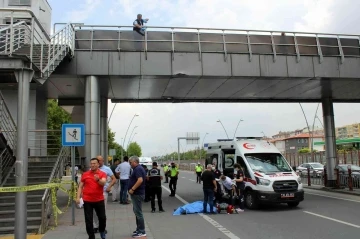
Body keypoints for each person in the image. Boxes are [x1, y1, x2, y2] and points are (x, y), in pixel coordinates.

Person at [76, 158, 107, 239]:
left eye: (94, 163)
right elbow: (80, 186)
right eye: (91, 163)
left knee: (102, 218)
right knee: (88, 220)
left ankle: (102, 231)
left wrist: (98, 180)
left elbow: (103, 183)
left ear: (98, 164)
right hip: (87, 201)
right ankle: (91, 236)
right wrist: (78, 197)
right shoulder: (85, 174)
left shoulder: (102, 173)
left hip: (99, 200)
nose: (92, 165)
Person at [93, 155, 116, 234]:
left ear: (103, 161)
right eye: (97, 160)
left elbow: (114, 179)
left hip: (103, 192)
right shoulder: (92, 169)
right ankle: (95, 226)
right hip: (94, 193)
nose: (99, 162)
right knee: (94, 211)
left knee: (102, 211)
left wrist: (109, 187)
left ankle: (102, 227)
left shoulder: (107, 169)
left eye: (100, 160)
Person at [128, 156, 147, 238]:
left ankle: (142, 231)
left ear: (135, 162)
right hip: (137, 194)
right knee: (136, 212)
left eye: (130, 162)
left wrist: (132, 189)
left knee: (138, 213)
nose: (130, 164)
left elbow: (140, 180)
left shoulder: (138, 169)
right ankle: (139, 229)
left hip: (137, 193)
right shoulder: (138, 168)